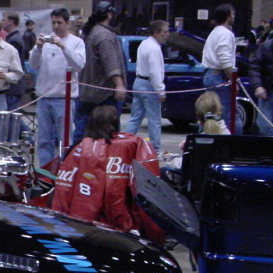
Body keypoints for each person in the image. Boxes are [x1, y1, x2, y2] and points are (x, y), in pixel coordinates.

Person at [53, 105, 164, 243]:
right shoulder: (130, 145)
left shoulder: (77, 150)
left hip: (77, 226)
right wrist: (130, 226)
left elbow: (62, 193)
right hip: (115, 227)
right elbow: (119, 194)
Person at [29, 7, 86, 167]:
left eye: (59, 23)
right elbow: (33, 65)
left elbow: (79, 65)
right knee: (44, 139)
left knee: (65, 139)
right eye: (53, 22)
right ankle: (45, 170)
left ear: (67, 23)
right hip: (44, 97)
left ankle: (65, 168)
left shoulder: (77, 42)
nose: (55, 26)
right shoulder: (46, 43)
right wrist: (38, 48)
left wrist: (63, 46)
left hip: (65, 99)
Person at [74, 1, 127, 143]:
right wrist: (119, 84)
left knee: (82, 133)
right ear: (109, 15)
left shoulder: (91, 32)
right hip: (103, 95)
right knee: (105, 135)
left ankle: (75, 155)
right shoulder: (104, 35)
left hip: (87, 92)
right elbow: (110, 62)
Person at [124, 20, 169, 152]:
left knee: (135, 118)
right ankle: (155, 149)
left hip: (138, 82)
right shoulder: (154, 48)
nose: (167, 35)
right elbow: (154, 72)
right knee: (154, 119)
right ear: (156, 32)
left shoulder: (144, 44)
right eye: (165, 32)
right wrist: (160, 90)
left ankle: (124, 144)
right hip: (149, 85)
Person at [202, 4, 240, 133]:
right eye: (233, 14)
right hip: (219, 77)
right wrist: (233, 81)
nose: (234, 16)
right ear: (228, 16)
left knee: (212, 114)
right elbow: (225, 60)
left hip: (210, 75)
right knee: (227, 115)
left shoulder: (215, 32)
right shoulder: (225, 34)